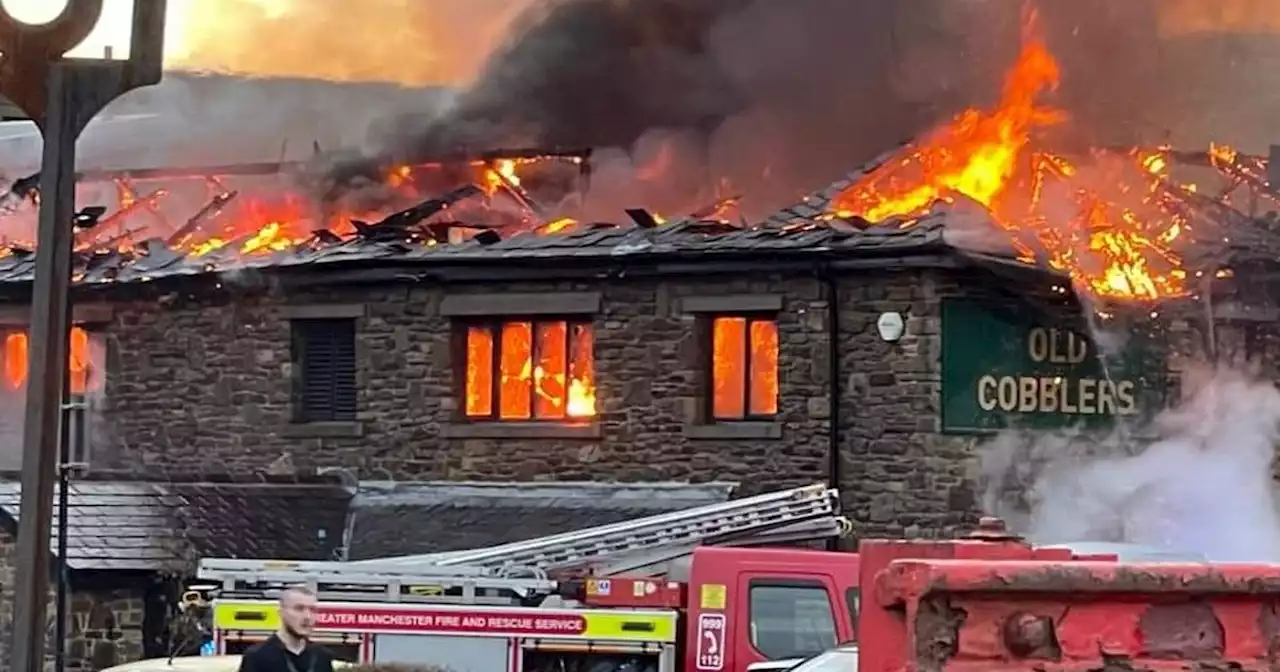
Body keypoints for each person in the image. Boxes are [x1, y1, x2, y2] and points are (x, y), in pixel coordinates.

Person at [237, 586, 336, 672]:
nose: (307, 616)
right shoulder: (257, 656)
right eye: (299, 608)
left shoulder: (322, 656)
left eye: (312, 610)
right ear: (281, 613)